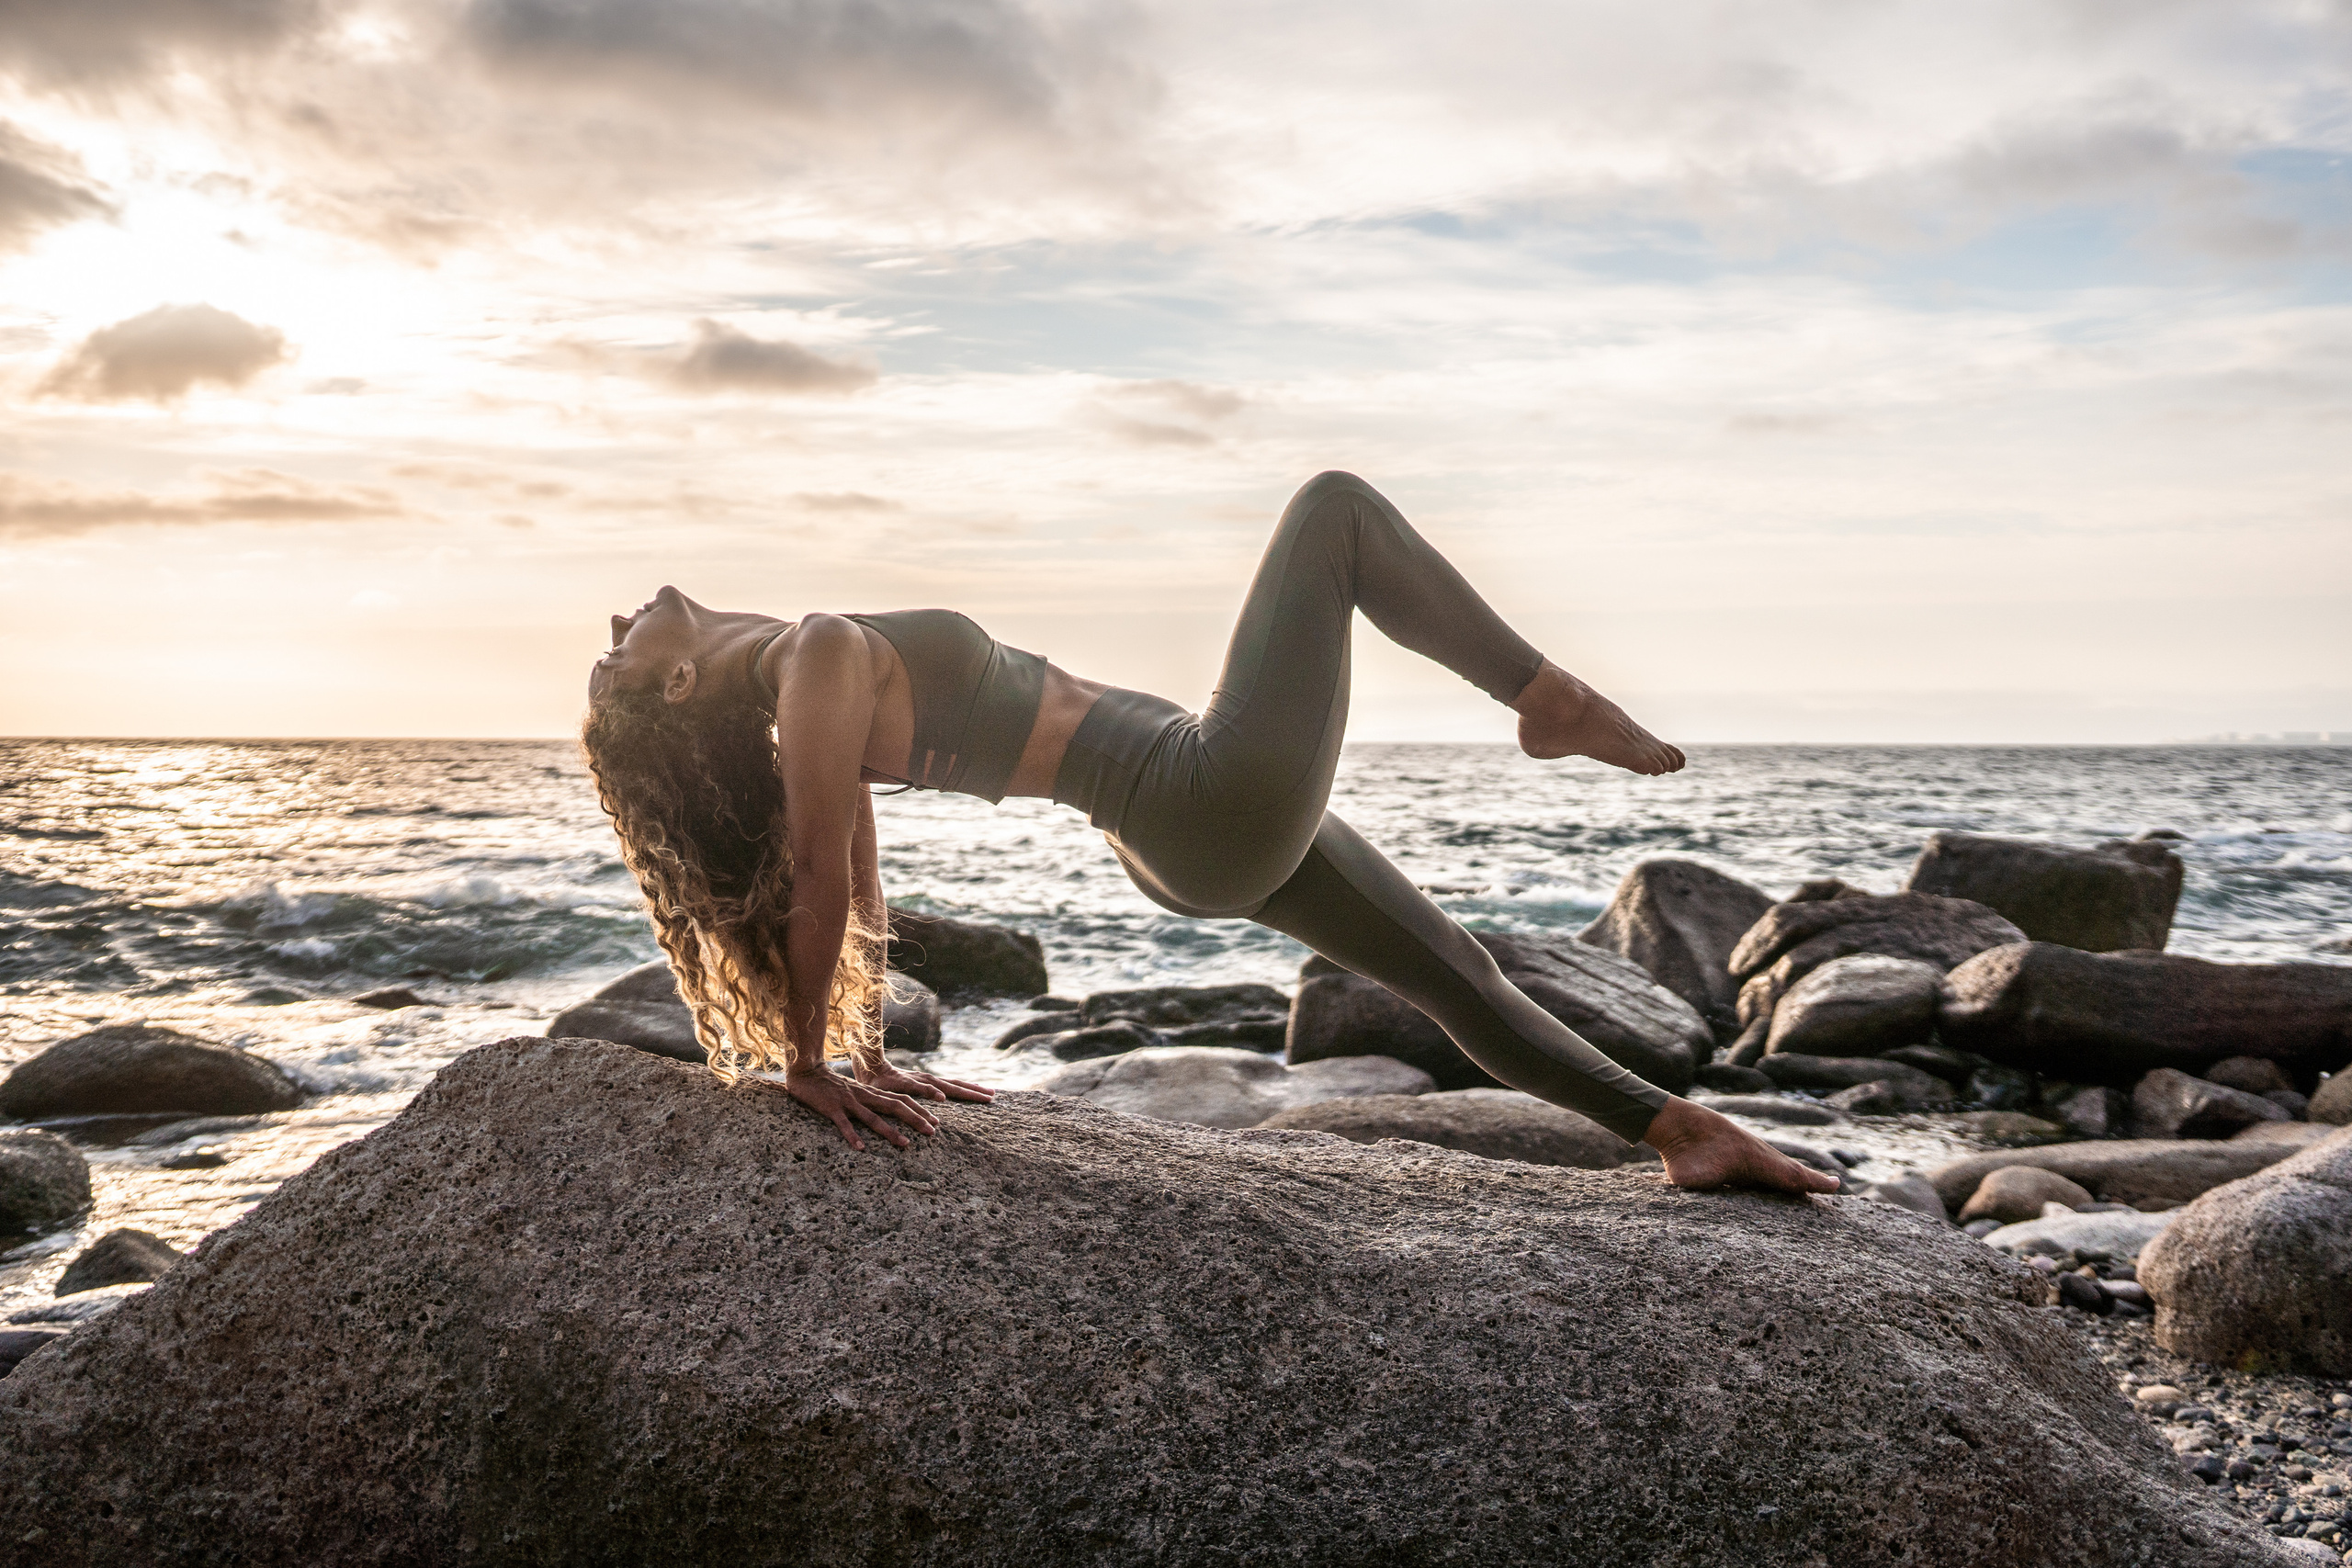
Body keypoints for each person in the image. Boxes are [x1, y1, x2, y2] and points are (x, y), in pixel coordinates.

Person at [582, 471, 1838, 1195]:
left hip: (1196, 821)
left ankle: (1688, 1134)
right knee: (1335, 513)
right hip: (1199, 796)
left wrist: (860, 1049)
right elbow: (811, 877)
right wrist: (807, 1064)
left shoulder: (817, 671)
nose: (624, 614)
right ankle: (1547, 701)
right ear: (678, 691)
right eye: (617, 649)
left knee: (1460, 971)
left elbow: (852, 888)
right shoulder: (813, 661)